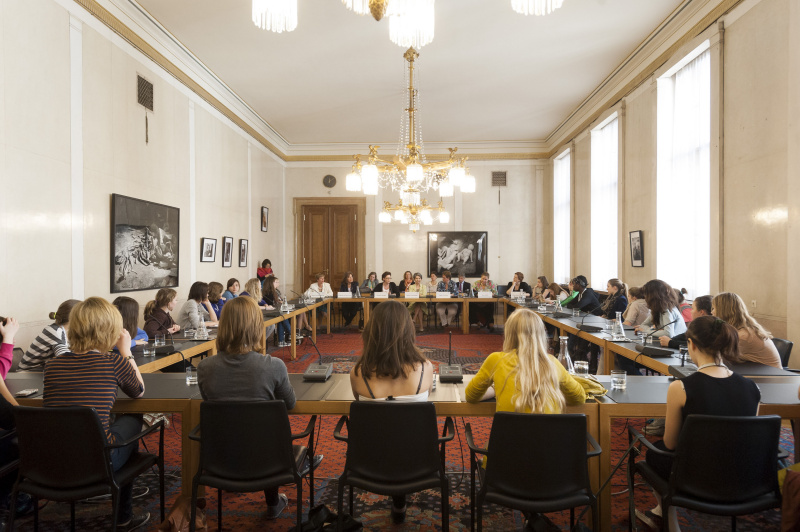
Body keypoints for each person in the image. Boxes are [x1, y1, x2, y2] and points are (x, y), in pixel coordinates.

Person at [197, 296, 321, 519]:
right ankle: (273, 503)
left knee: (246, 431)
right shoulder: (273, 366)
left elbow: (213, 404)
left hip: (220, 458)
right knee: (264, 434)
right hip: (270, 460)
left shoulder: (205, 368)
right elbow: (290, 403)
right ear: (256, 326)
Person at [642, 316, 760, 531]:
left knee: (654, 452)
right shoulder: (753, 388)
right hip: (743, 474)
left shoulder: (680, 387)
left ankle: (670, 520)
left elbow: (670, 444)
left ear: (691, 344)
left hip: (694, 475)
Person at [43, 297, 148, 530]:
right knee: (134, 418)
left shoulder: (52, 366)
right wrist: (125, 351)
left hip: (51, 458)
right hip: (100, 461)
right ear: (110, 330)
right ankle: (123, 515)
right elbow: (139, 392)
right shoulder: (114, 362)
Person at [349, 300, 434, 524]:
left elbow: (368, 409)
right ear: (408, 329)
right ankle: (400, 501)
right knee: (402, 437)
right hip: (418, 459)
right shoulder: (426, 368)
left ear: (372, 331)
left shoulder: (357, 373)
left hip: (370, 459)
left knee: (388, 434)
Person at [466, 308, 586, 412]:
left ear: (509, 334)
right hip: (550, 438)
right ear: (540, 334)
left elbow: (470, 396)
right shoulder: (552, 363)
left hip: (508, 438)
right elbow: (579, 398)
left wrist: (494, 388)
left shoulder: (496, 360)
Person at [618, 279, 688, 376]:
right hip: (663, 348)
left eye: (646, 295)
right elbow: (643, 325)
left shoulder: (666, 310)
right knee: (623, 357)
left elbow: (668, 334)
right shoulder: (658, 308)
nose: (645, 298)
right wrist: (651, 329)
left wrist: (647, 330)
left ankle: (640, 384)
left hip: (674, 353)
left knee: (625, 361)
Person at [712, 292, 782, 368]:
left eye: (714, 308)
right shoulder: (744, 329)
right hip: (757, 371)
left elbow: (716, 358)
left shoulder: (743, 336)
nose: (712, 312)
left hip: (769, 377)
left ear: (723, 311)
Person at [20, 299, 81, 371]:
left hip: (39, 375)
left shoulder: (63, 331)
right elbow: (66, 361)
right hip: (27, 376)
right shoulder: (55, 332)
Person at [263, 276, 291, 346]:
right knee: (283, 317)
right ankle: (292, 333)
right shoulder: (268, 292)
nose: (278, 283)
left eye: (278, 282)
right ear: (270, 283)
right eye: (276, 282)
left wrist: (281, 302)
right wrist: (279, 302)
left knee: (282, 318)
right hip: (270, 312)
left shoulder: (277, 291)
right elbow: (272, 303)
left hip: (277, 311)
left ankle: (281, 341)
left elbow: (280, 300)